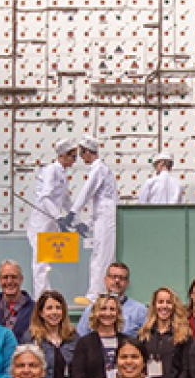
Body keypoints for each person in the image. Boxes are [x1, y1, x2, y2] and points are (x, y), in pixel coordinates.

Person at [67, 136, 119, 302]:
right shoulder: (100, 170)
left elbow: (87, 192)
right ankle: (95, 294)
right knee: (97, 255)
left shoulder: (99, 169)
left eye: (82, 154)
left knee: (102, 256)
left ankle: (98, 296)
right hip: (102, 217)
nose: (81, 158)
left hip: (106, 217)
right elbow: (96, 202)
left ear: (88, 152)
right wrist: (86, 225)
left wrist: (73, 213)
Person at [27, 137, 78, 295]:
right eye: (73, 156)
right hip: (41, 222)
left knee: (47, 262)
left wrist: (77, 221)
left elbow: (66, 201)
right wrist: (59, 217)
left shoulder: (62, 174)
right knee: (40, 263)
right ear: (63, 155)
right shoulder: (51, 170)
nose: (75, 161)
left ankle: (46, 295)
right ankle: (40, 298)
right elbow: (45, 197)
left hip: (51, 223)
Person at [72, 294, 128, 378]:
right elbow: (78, 377)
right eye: (103, 309)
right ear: (96, 313)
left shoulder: (127, 341)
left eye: (112, 309)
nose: (107, 313)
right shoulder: (84, 343)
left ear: (118, 313)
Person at [136, 287, 192, 378]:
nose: (164, 306)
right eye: (160, 302)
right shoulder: (144, 334)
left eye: (169, 302)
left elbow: (186, 370)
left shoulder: (183, 334)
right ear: (154, 305)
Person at [23, 290, 78, 378]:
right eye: (49, 308)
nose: (54, 312)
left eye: (58, 308)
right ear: (41, 313)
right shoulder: (31, 338)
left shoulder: (73, 337)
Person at [76, 262, 148, 337]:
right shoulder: (91, 310)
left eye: (121, 278)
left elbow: (146, 340)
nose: (117, 281)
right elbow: (80, 338)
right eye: (113, 277)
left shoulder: (140, 311)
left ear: (127, 283)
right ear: (105, 280)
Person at [0, 259, 35, 344]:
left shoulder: (35, 309)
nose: (9, 281)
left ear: (21, 279)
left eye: (14, 277)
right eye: (5, 277)